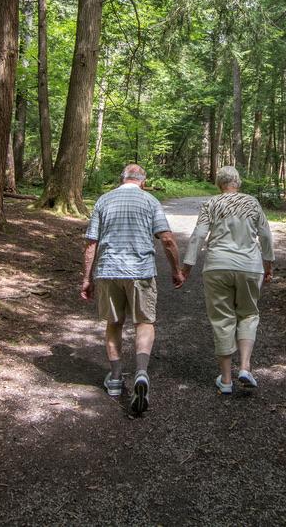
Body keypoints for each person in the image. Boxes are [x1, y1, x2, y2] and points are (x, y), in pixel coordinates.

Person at [81, 164, 184, 414]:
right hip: (141, 272)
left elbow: (91, 242)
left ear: (122, 179)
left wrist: (87, 278)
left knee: (114, 323)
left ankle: (115, 379)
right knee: (144, 323)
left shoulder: (104, 200)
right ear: (143, 181)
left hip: (108, 271)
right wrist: (176, 269)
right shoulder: (150, 201)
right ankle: (140, 373)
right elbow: (167, 239)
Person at [182, 165, 275, 394]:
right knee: (248, 314)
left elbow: (199, 235)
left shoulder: (211, 204)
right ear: (238, 182)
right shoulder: (252, 203)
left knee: (222, 319)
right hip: (250, 266)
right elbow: (265, 234)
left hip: (217, 266)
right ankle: (245, 367)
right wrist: (268, 263)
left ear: (218, 184)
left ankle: (225, 380)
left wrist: (187, 266)